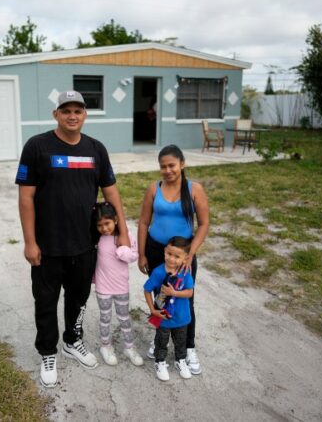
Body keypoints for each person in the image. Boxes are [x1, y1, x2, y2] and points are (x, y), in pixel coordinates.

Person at [15, 90, 130, 388]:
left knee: (78, 300)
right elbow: (26, 197)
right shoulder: (37, 147)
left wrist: (124, 233)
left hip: (84, 245)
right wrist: (30, 241)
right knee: (45, 302)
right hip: (48, 246)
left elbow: (111, 192)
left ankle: (72, 340)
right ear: (56, 114)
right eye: (65, 110)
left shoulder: (96, 150)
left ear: (85, 115)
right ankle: (48, 352)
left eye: (78, 110)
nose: (72, 115)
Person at [137, 144, 209, 375]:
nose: (167, 170)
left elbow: (204, 224)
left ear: (182, 164)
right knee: (161, 297)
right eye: (163, 166)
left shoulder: (194, 189)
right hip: (157, 250)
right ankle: (160, 341)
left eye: (172, 165)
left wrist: (190, 253)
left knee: (186, 300)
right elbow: (144, 222)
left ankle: (188, 347)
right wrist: (141, 253)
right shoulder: (153, 188)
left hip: (183, 256)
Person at [92, 202, 143, 367]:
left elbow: (134, 256)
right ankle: (105, 346)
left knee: (124, 317)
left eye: (107, 223)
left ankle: (129, 347)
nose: (104, 228)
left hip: (121, 286)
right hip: (103, 287)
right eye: (99, 225)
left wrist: (123, 251)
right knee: (105, 317)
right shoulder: (97, 238)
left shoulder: (125, 236)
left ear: (115, 220)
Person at [143, 236, 195, 381]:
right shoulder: (159, 272)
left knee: (181, 341)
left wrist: (174, 293)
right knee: (161, 341)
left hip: (181, 317)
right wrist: (153, 311)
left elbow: (190, 292)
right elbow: (147, 290)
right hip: (163, 317)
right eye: (169, 254)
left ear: (185, 258)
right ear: (165, 251)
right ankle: (160, 362)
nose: (171, 259)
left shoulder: (185, 273)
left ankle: (181, 361)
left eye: (177, 256)